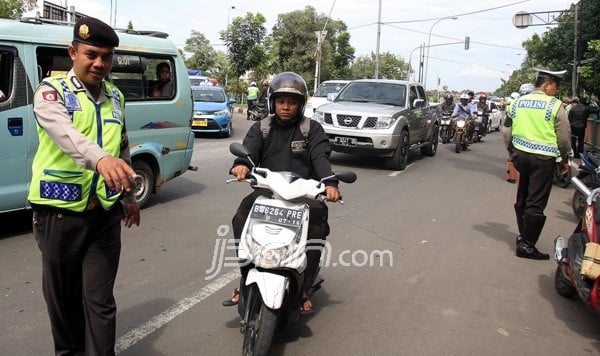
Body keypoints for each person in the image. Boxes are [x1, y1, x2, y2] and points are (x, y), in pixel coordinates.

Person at [29, 17, 140, 355]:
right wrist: (99, 159)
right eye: (91, 54)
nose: (100, 63)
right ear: (72, 52)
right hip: (59, 214)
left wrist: (130, 195)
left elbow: (121, 144)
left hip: (105, 215)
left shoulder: (116, 96)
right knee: (63, 302)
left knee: (100, 301)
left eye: (107, 57)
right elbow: (65, 134)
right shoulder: (52, 92)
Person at [223, 71, 341, 313]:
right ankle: (245, 277)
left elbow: (320, 158)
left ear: (300, 104)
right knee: (240, 217)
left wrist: (330, 183)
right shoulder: (262, 128)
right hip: (268, 192)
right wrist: (242, 165)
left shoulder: (312, 130)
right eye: (281, 101)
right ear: (272, 102)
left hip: (304, 196)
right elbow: (249, 149)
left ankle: (304, 287)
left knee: (317, 228)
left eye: (292, 102)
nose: (286, 107)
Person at [503, 68, 571, 260]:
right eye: (555, 87)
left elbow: (506, 131)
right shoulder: (555, 106)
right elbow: (564, 138)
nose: (556, 92)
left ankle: (523, 235)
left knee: (523, 195)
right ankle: (527, 245)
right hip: (543, 159)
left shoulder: (516, 103)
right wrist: (565, 159)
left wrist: (511, 151)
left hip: (521, 156)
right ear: (546, 84)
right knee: (536, 201)